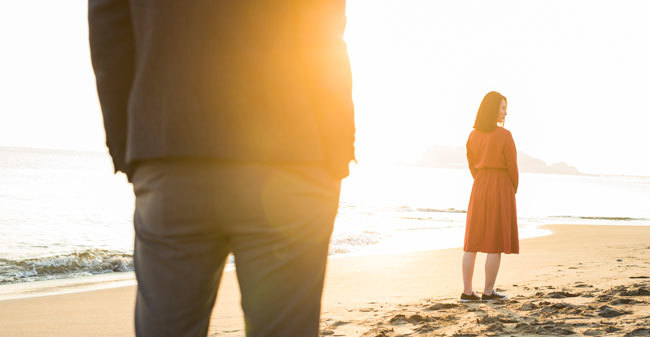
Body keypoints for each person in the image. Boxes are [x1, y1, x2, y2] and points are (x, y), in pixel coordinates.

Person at [88, 1, 355, 336]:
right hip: (290, 158)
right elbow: (325, 27)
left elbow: (109, 24)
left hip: (172, 153)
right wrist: (335, 150)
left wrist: (131, 145)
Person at [461, 91, 519, 302]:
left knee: (472, 242)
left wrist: (481, 180)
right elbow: (512, 168)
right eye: (503, 108)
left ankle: (467, 292)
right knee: (494, 242)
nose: (506, 112)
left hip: (479, 186)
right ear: (493, 109)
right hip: (499, 185)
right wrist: (510, 189)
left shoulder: (472, 135)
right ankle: (488, 292)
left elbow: (471, 165)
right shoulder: (505, 136)